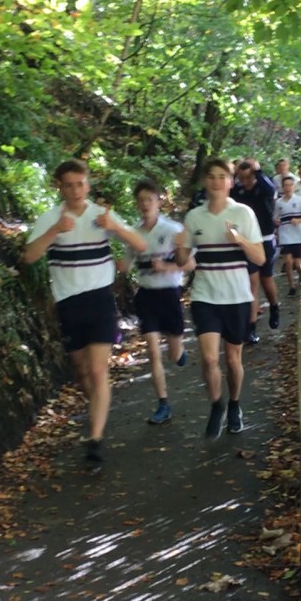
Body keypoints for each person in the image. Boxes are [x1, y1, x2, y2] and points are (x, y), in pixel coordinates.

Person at [23, 158, 147, 464]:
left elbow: (141, 245)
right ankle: (97, 410)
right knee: (81, 371)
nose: (76, 190)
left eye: (81, 184)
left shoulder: (101, 215)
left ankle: (95, 440)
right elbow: (29, 256)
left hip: (100, 299)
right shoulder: (50, 218)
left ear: (88, 185)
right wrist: (55, 231)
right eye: (69, 185)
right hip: (68, 302)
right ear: (60, 187)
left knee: (97, 370)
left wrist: (115, 227)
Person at [175, 158, 265, 439]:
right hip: (205, 296)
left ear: (230, 182)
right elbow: (183, 260)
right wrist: (180, 246)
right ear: (205, 181)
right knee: (209, 358)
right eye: (211, 176)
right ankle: (217, 405)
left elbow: (260, 258)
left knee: (233, 359)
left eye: (222, 176)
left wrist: (239, 239)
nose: (216, 181)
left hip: (237, 296)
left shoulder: (244, 213)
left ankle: (235, 403)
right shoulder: (193, 217)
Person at [123, 179, 193, 425]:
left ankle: (180, 351)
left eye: (149, 200)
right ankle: (163, 403)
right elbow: (126, 264)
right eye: (141, 200)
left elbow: (191, 264)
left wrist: (166, 266)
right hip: (146, 295)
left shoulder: (173, 230)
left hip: (170, 294)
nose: (145, 204)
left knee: (174, 354)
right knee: (153, 350)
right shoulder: (132, 232)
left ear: (159, 202)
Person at [231, 158, 279, 342]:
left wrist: (257, 170)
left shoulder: (263, 189)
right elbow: (227, 191)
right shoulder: (238, 191)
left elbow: (271, 189)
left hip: (265, 240)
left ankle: (274, 306)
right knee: (252, 284)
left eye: (248, 178)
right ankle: (251, 328)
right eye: (241, 178)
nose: (245, 182)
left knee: (266, 279)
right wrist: (235, 172)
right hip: (246, 241)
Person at [274, 175, 301, 296]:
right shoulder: (279, 202)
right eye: (285, 185)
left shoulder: (300, 200)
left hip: (298, 235)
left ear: (294, 186)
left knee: (297, 263)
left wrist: (298, 220)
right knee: (288, 262)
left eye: (290, 185)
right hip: (285, 234)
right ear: (282, 187)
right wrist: (276, 221)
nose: (288, 187)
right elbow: (275, 217)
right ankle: (292, 285)